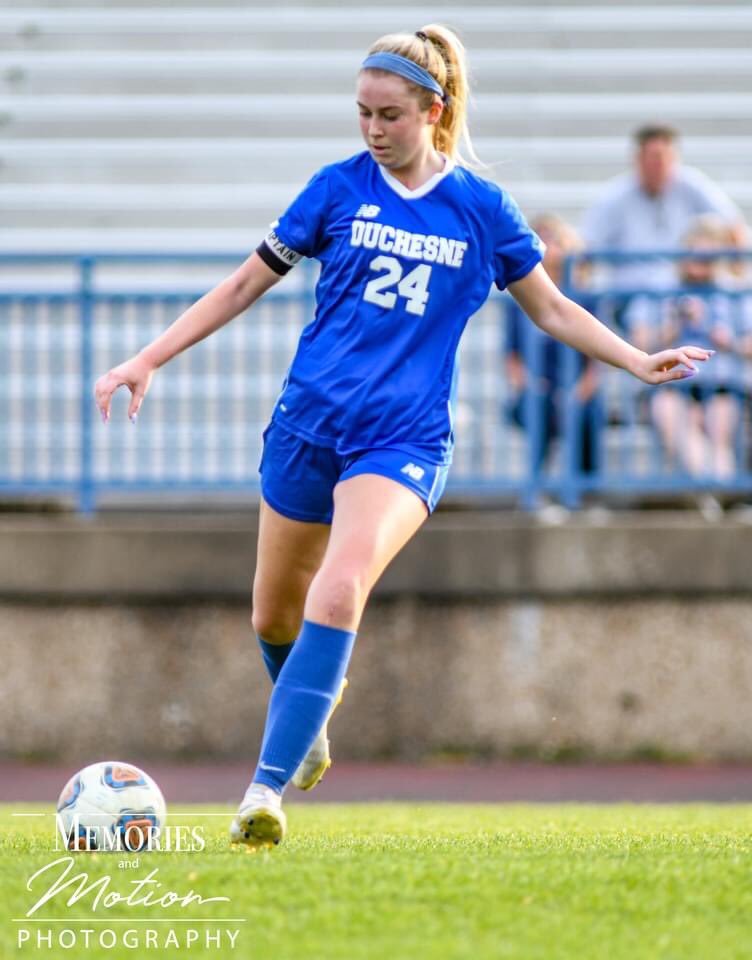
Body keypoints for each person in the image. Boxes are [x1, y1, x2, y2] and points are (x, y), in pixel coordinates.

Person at [94, 25, 713, 848]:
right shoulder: (334, 188)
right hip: (306, 428)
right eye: (361, 114)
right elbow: (245, 283)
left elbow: (553, 308)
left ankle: (264, 792)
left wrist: (638, 361)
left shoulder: (482, 210)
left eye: (388, 114)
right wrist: (147, 357)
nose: (373, 130)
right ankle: (307, 721)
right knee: (274, 615)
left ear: (434, 110)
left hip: (402, 442)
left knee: (340, 590)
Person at [626, 215, 752, 516]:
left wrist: (725, 340)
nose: (701, 264)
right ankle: (721, 491)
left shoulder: (735, 291)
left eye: (709, 257)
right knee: (677, 419)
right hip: (672, 384)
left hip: (722, 385)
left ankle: (710, 494)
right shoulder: (660, 288)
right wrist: (672, 327)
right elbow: (638, 341)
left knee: (718, 426)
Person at [504, 215, 601, 510]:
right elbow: (512, 357)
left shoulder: (587, 298)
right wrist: (531, 386)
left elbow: (595, 363)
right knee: (539, 408)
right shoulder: (516, 300)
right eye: (540, 236)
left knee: (586, 412)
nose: (547, 245)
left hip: (576, 388)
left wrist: (577, 393)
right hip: (538, 388)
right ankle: (536, 490)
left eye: (554, 238)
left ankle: (586, 493)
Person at [582, 124, 747, 294]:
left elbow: (734, 226)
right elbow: (587, 247)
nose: (658, 165)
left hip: (685, 292)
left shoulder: (692, 185)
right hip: (631, 296)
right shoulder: (615, 197)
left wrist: (737, 271)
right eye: (653, 158)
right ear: (638, 159)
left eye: (664, 158)